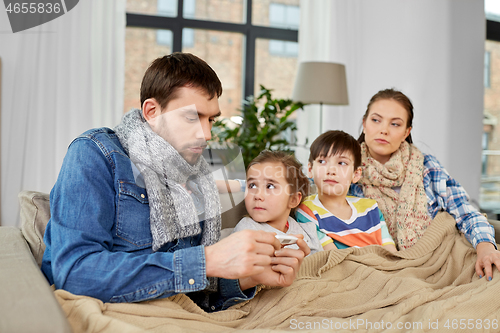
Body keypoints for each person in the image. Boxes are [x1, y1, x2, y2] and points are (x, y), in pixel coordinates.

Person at [40, 53, 310, 312]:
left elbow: (196, 292)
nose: (206, 134)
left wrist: (250, 277)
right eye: (192, 116)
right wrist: (206, 260)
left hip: (181, 314)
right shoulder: (95, 153)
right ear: (152, 111)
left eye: (211, 119)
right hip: (115, 313)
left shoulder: (198, 179)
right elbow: (75, 272)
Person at [350, 88, 500, 279]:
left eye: (395, 124)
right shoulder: (344, 168)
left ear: (406, 132)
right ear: (364, 124)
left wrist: (485, 246)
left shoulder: (426, 165)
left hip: (446, 259)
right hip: (383, 270)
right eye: (376, 120)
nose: (384, 130)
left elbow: (465, 211)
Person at [295, 130, 397, 252]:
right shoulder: (306, 210)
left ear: (356, 174)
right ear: (310, 169)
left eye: (342, 163)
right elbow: (333, 257)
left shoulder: (371, 208)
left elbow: (391, 253)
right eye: (322, 161)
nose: (331, 170)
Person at [233, 150, 322, 254]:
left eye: (270, 186)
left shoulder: (308, 231)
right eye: (252, 185)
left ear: (293, 200)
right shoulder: (247, 231)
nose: (257, 195)